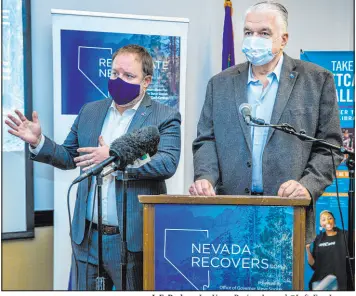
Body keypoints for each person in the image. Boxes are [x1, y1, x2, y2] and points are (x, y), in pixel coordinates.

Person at [5, 44, 181, 290]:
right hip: (87, 237)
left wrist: (115, 158)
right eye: (114, 73)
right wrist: (39, 142)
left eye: (129, 76)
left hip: (131, 241)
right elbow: (68, 156)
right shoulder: (91, 111)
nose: (119, 81)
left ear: (146, 81)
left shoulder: (164, 116)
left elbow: (167, 162)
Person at [189, 0, 343, 244]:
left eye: (263, 33)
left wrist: (306, 186)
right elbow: (207, 139)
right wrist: (205, 177)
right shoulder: (219, 84)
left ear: (283, 39)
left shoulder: (316, 80)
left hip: (287, 215)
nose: (253, 39)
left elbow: (330, 147)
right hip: (230, 214)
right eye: (248, 32)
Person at [306, 210, 349, 290]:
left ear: (334, 220)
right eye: (323, 219)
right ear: (320, 224)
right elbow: (313, 264)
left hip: (340, 281)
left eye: (330, 218)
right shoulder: (317, 239)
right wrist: (307, 249)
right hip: (320, 281)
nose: (327, 221)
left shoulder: (345, 235)